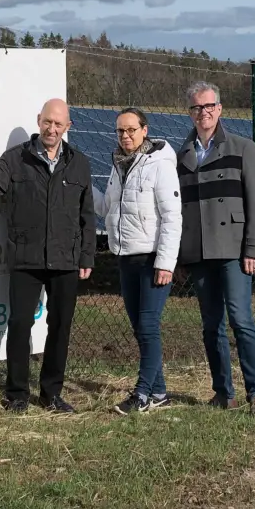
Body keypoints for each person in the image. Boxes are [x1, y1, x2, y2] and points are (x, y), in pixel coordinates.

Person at [0, 98, 95, 413]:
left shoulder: (80, 163)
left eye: (58, 124)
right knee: (19, 324)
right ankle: (17, 394)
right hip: (26, 257)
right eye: (47, 122)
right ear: (39, 121)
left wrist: (86, 256)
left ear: (67, 127)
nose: (51, 128)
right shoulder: (15, 159)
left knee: (60, 326)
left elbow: (87, 214)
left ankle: (52, 394)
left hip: (65, 258)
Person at [175, 81, 255, 415]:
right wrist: (181, 255)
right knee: (210, 325)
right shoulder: (181, 155)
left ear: (220, 108)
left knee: (242, 320)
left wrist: (253, 249)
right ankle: (222, 392)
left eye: (210, 106)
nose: (205, 113)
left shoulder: (243, 148)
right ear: (190, 113)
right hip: (198, 253)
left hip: (233, 250)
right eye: (198, 108)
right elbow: (179, 210)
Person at [92, 107, 181, 415]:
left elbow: (172, 217)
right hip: (125, 256)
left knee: (148, 325)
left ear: (145, 130)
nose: (125, 136)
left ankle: (141, 394)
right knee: (139, 326)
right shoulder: (118, 166)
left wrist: (166, 263)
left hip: (152, 257)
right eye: (120, 131)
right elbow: (105, 208)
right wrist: (80, 185)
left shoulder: (160, 165)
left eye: (131, 130)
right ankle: (159, 393)